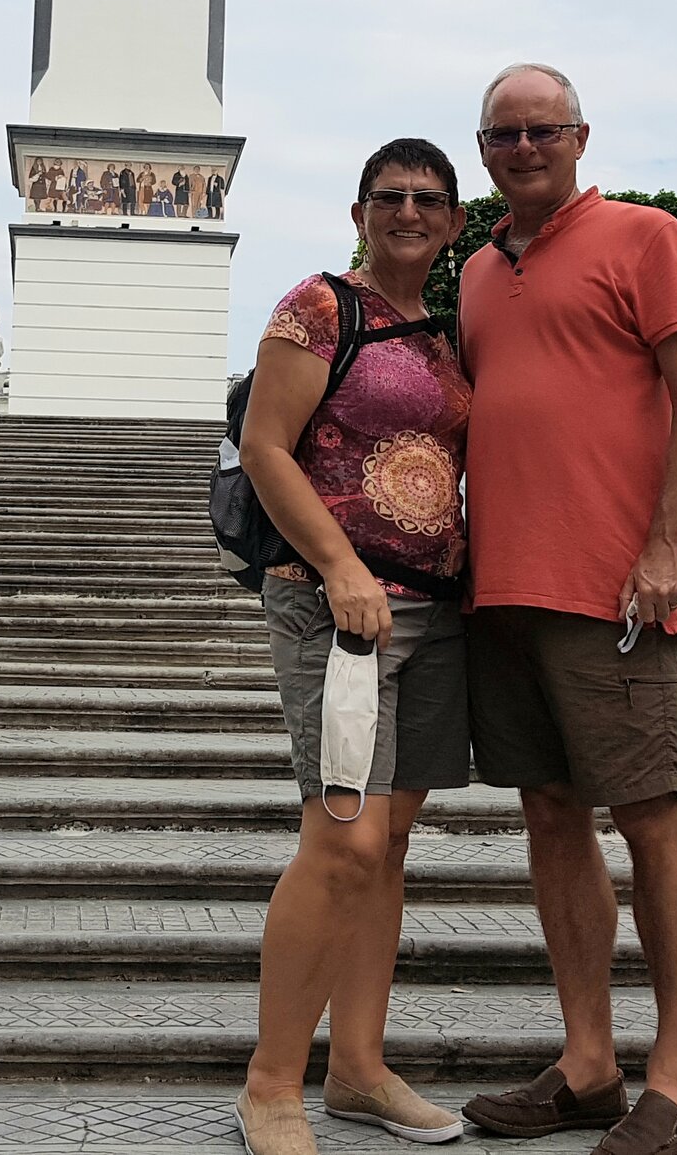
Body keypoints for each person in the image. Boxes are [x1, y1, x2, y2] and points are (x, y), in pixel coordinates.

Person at [455, 64, 677, 1155]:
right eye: (503, 135)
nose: (523, 148)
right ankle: (587, 1066)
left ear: (578, 136)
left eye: (542, 130)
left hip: (609, 587)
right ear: (484, 150)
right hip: (499, 590)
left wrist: (667, 544)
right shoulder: (475, 271)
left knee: (650, 816)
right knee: (550, 816)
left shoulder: (646, 237)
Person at [234, 139, 475, 1155]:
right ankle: (270, 1085)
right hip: (335, 612)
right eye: (389, 197)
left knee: (388, 852)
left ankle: (361, 1071)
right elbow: (262, 445)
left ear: (456, 220)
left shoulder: (456, 334)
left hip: (435, 610)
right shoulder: (321, 307)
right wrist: (339, 567)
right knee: (343, 844)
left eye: (427, 198)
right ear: (359, 210)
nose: (408, 211)